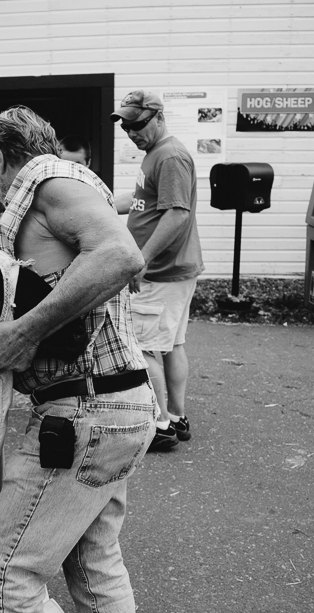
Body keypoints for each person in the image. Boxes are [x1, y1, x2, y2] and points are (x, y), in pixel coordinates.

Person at [0, 106, 154, 613]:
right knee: (92, 564)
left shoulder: (47, 183)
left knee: (5, 567)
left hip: (84, 409)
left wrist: (24, 332)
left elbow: (122, 256)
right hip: (114, 403)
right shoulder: (74, 186)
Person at [112, 90, 203, 451]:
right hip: (172, 270)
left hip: (161, 272)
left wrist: (142, 259)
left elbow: (177, 213)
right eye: (126, 126)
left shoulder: (169, 156)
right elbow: (141, 205)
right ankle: (176, 417)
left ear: (159, 118)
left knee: (144, 347)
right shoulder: (156, 154)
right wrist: (99, 200)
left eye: (137, 124)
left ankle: (160, 425)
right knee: (171, 345)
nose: (131, 132)